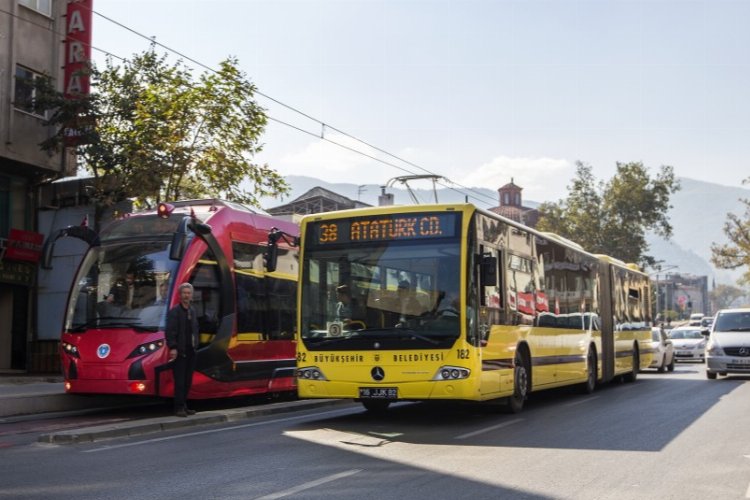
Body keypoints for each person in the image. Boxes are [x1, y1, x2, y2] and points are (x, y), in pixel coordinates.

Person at [165, 282, 200, 417]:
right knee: (179, 381)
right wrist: (173, 347)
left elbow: (195, 329)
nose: (186, 295)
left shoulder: (192, 311)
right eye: (184, 293)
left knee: (187, 381)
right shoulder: (175, 312)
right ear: (180, 295)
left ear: (191, 295)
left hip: (191, 350)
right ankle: (178, 407)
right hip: (180, 351)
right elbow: (170, 332)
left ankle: (184, 406)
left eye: (188, 293)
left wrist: (196, 345)